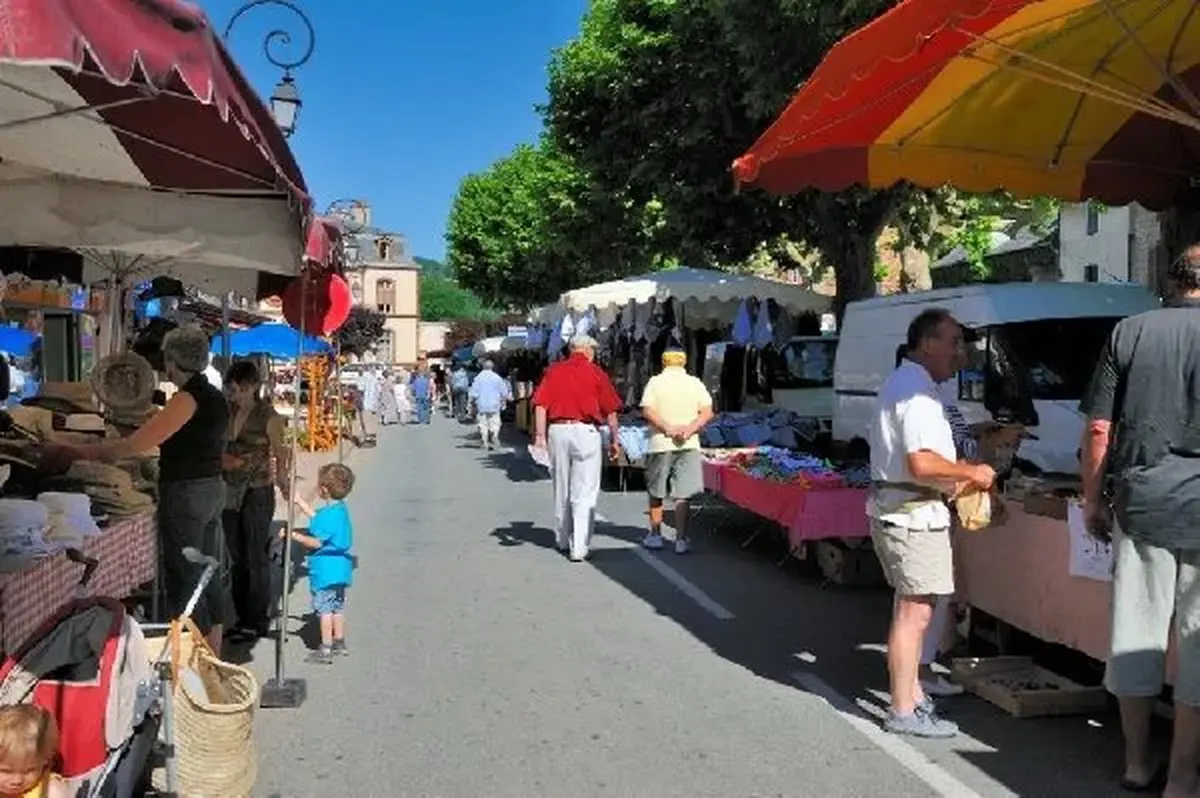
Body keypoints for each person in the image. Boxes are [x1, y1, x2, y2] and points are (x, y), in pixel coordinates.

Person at [1080, 245, 1200, 797]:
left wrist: (1092, 500)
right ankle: (1182, 777)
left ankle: (1136, 764)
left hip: (1143, 502)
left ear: (1170, 280)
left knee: (1135, 637)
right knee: (1199, 646)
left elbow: (1099, 429)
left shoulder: (1129, 332)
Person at [52, 326, 232, 650]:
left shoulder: (187, 398)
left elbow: (136, 445)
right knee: (207, 573)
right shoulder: (215, 398)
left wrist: (83, 453)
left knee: (187, 576)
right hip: (211, 488)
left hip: (187, 494)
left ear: (173, 361)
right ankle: (214, 659)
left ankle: (196, 664)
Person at [868, 309, 994, 739]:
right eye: (954, 342)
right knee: (914, 614)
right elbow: (921, 462)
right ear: (927, 344)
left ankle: (912, 698)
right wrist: (971, 473)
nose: (961, 352)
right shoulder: (916, 393)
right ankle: (903, 710)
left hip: (908, 510)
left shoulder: (915, 386)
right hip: (912, 515)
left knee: (913, 612)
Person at [532, 335, 622, 561]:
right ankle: (579, 546)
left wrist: (540, 436)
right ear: (588, 351)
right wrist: (615, 439)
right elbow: (611, 410)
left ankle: (562, 538)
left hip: (558, 431)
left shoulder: (554, 371)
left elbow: (541, 405)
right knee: (585, 490)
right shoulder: (596, 373)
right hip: (585, 432)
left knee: (561, 485)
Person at [222, 361, 290, 640]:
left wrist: (284, 482)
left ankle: (257, 619)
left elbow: (280, 453)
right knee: (236, 557)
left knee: (254, 557)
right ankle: (241, 617)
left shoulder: (268, 416)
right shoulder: (228, 411)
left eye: (237, 389)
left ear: (251, 387)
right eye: (230, 389)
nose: (233, 394)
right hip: (229, 490)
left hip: (257, 490)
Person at [640, 347, 713, 555]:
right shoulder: (695, 383)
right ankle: (681, 539)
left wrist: (667, 428)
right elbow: (707, 411)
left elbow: (647, 410)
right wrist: (690, 429)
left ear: (664, 362)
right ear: (684, 362)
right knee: (683, 493)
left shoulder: (655, 382)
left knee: (656, 491)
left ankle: (655, 534)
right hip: (688, 443)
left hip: (660, 443)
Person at [287, 463, 355, 665]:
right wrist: (299, 502)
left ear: (324, 489)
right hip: (341, 569)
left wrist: (294, 536)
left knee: (324, 610)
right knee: (337, 607)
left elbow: (316, 541)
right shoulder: (339, 510)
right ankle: (339, 641)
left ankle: (325, 647)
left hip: (325, 570)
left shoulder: (328, 516)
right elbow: (318, 519)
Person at [0, 705, 68, 798]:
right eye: (6, 771)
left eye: (29, 771)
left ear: (45, 762)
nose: (17, 780)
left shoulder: (49, 790)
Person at [468, 360, 511, 450]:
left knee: (482, 423)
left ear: (483, 367)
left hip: (482, 404)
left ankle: (484, 440)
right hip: (495, 404)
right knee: (495, 422)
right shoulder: (497, 378)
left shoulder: (478, 378)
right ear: (492, 367)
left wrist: (472, 403)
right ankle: (494, 434)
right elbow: (504, 391)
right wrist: (505, 399)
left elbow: (474, 393)